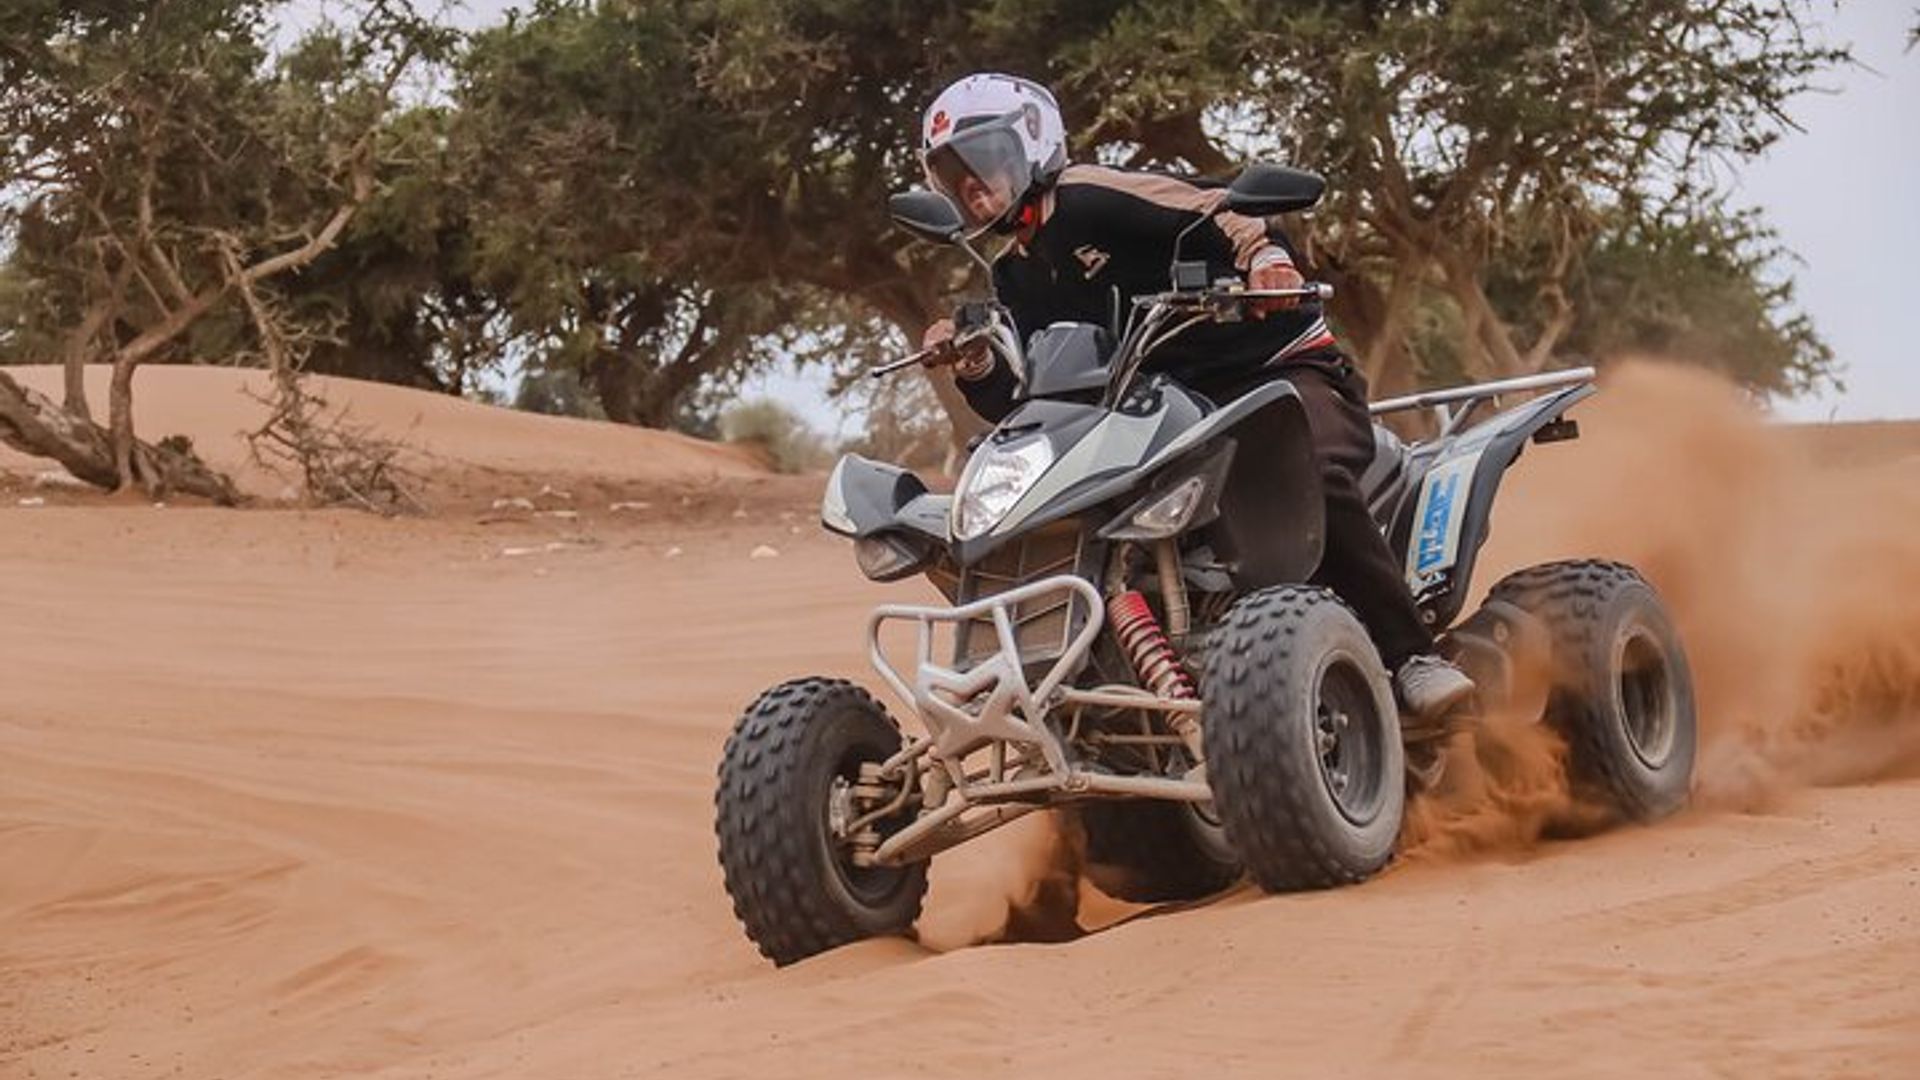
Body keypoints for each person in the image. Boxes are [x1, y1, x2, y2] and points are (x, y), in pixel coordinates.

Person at [916, 72, 1474, 724]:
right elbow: (1028, 396)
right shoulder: (1015, 274)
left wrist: (1266, 259)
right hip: (1160, 417)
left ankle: (1412, 655)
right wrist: (978, 364)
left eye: (981, 164)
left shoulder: (1094, 196)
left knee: (1309, 469)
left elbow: (1220, 206)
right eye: (954, 178)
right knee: (1069, 511)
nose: (973, 189)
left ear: (1031, 144)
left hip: (1277, 376)